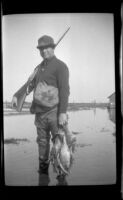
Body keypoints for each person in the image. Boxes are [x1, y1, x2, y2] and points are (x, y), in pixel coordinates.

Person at [12, 35, 76, 174]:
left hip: (55, 112)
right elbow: (29, 85)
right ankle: (43, 171)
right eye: (41, 49)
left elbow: (65, 90)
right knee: (42, 142)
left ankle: (61, 175)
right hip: (39, 113)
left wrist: (63, 113)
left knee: (59, 143)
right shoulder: (38, 68)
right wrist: (17, 95)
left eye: (46, 48)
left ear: (53, 48)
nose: (44, 51)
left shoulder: (61, 66)